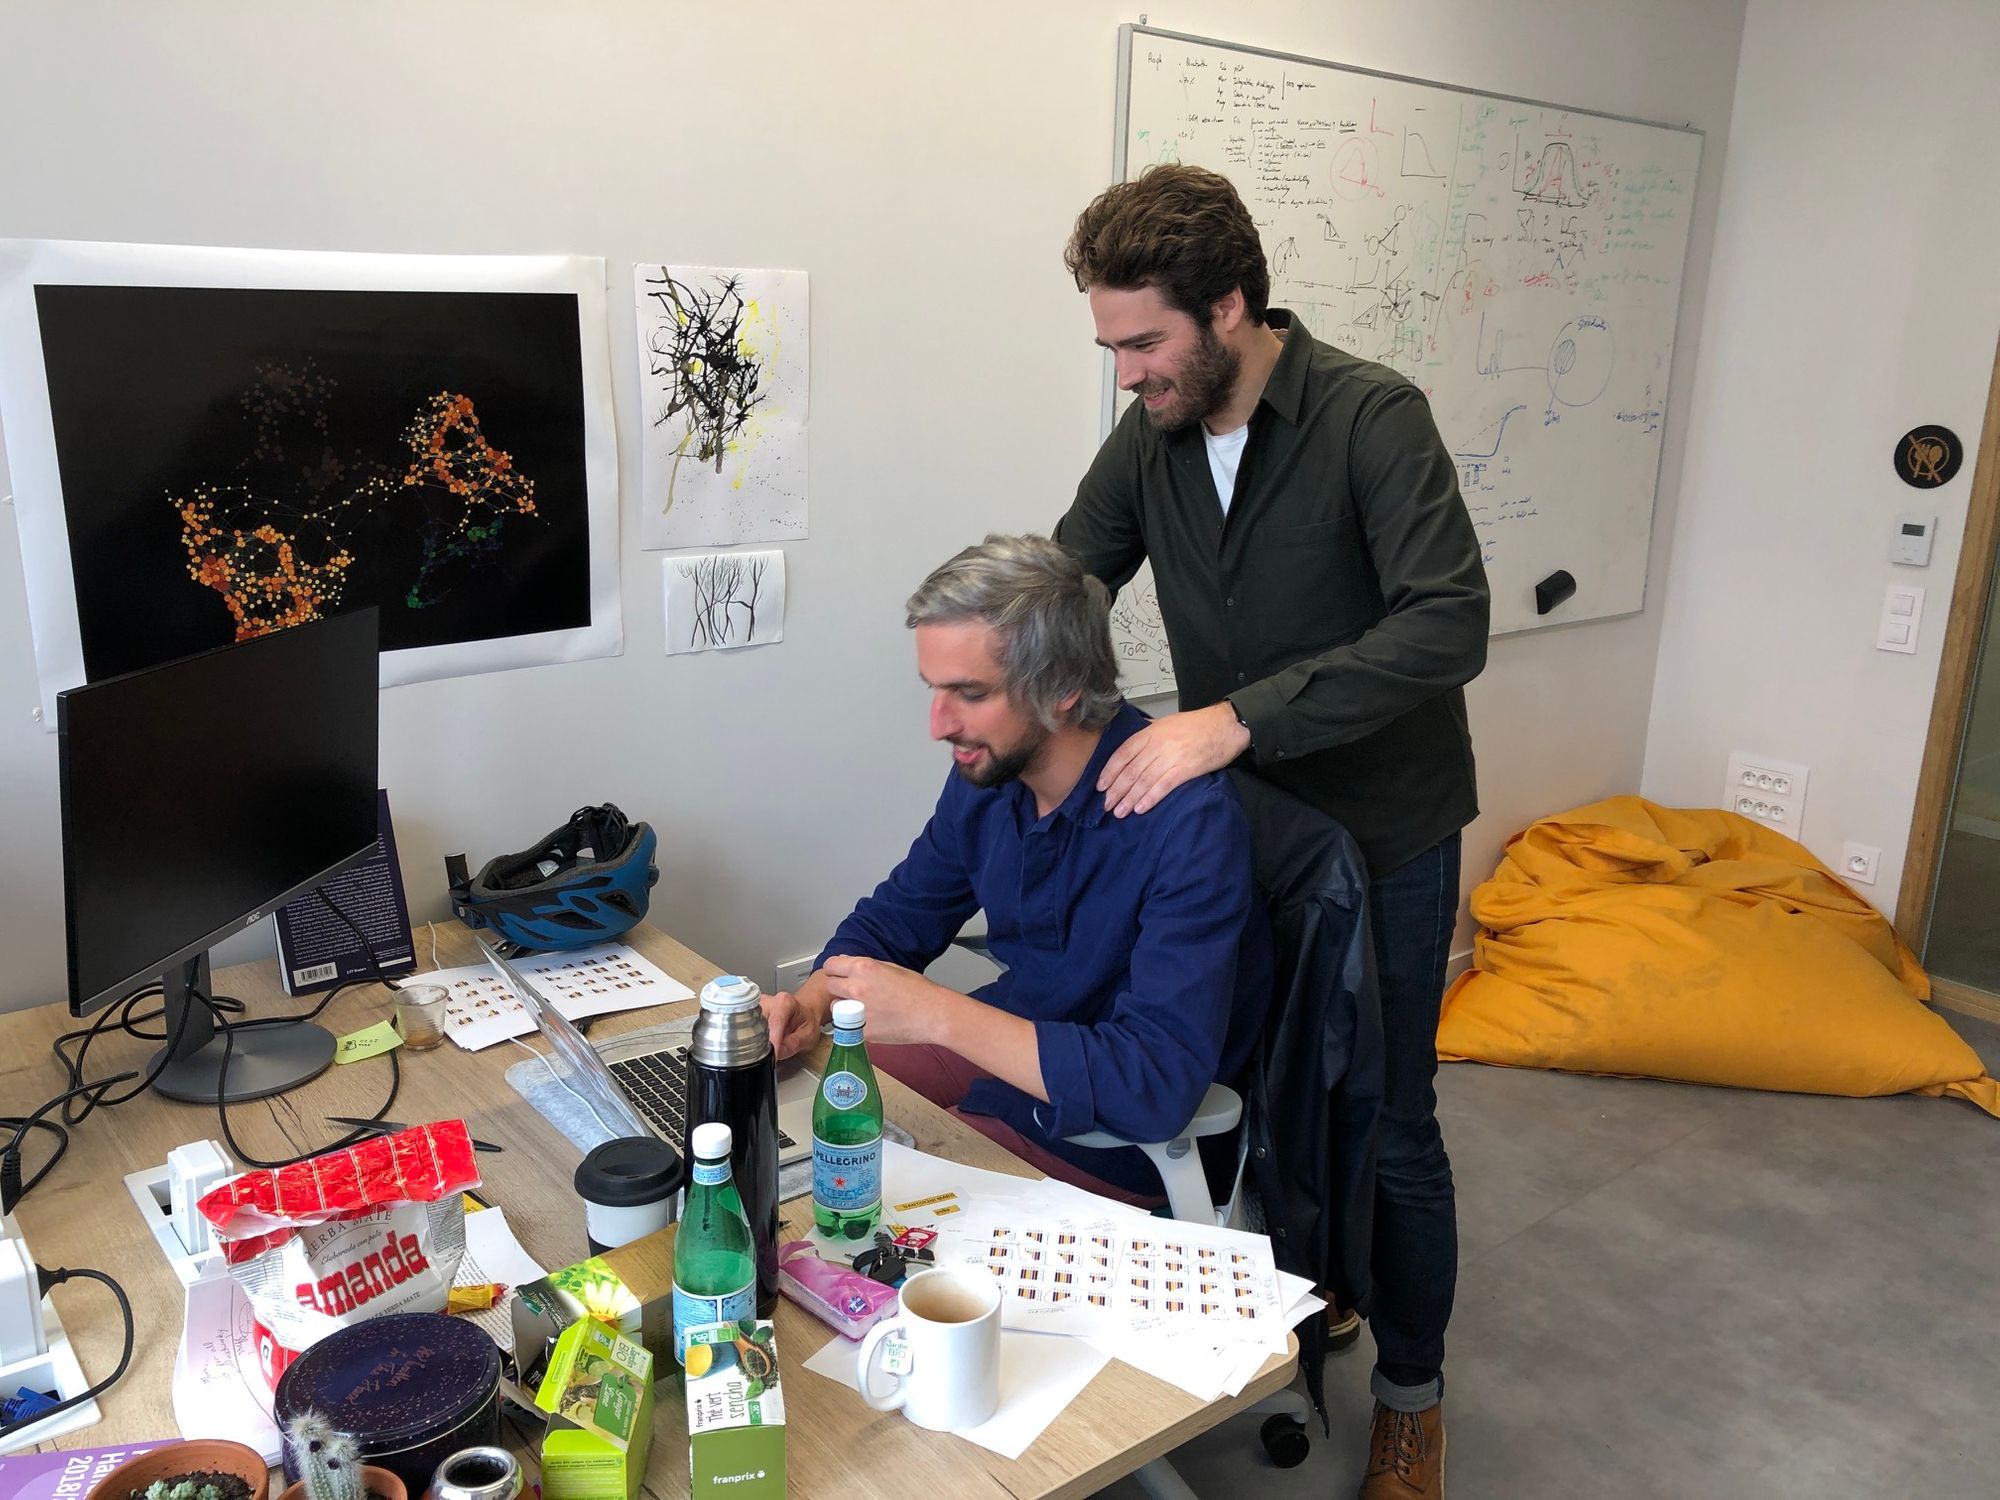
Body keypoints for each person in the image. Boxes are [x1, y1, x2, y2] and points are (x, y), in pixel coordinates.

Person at [1054, 164, 1489, 1500]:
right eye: (1111, 345)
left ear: (1231, 305)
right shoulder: (1154, 432)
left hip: (1387, 833)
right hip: (1249, 832)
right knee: (1277, 1086)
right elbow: (1076, 571)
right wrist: (1007, 673)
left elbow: (1446, 622)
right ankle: (1323, 1289)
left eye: (1146, 341)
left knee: (1391, 1117)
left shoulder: (1372, 421)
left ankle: (1410, 1398)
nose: (1128, 374)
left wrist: (1232, 718)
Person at [760, 533, 1271, 1203]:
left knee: (852, 1194)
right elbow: (892, 923)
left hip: (1116, 1137)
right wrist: (811, 1002)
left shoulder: (1188, 823)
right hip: (1014, 1053)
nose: (939, 725)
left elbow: (1153, 1087)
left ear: (1062, 687)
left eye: (969, 693)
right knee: (792, 1109)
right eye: (934, 690)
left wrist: (937, 1016)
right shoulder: (991, 774)